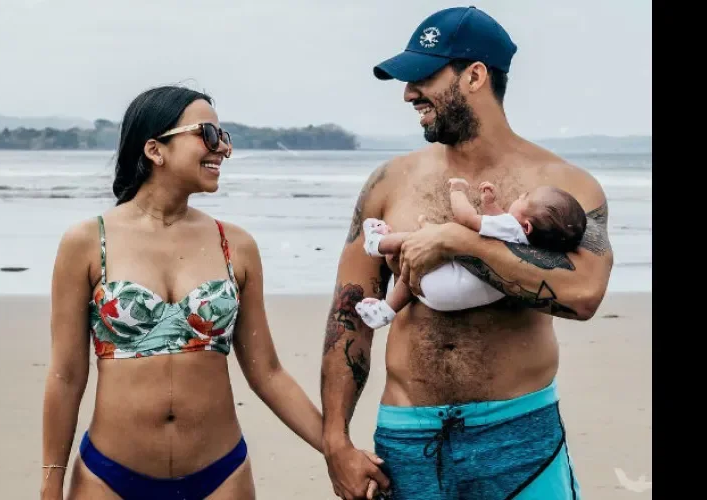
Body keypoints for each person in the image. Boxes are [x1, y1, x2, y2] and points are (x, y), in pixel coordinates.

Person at [320, 6, 612, 500]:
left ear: (475, 75)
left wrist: (459, 241)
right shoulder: (390, 182)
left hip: (518, 435)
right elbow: (348, 317)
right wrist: (335, 443)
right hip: (406, 439)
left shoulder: (564, 187)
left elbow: (583, 293)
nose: (409, 92)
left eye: (423, 77)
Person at [41, 85, 355, 500]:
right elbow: (66, 375)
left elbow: (268, 373)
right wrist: (50, 483)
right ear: (156, 150)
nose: (222, 148)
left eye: (224, 137)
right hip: (108, 477)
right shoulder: (87, 242)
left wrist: (337, 450)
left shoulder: (235, 246)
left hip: (220, 476)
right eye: (208, 134)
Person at [354, 177, 588, 328]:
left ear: (526, 226)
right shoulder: (530, 248)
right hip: (455, 296)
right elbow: (498, 222)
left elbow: (466, 218)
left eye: (523, 199)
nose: (519, 197)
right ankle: (385, 310)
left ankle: (377, 243)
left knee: (419, 240)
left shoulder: (512, 228)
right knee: (414, 269)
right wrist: (490, 204)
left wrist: (458, 191)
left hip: (445, 286)